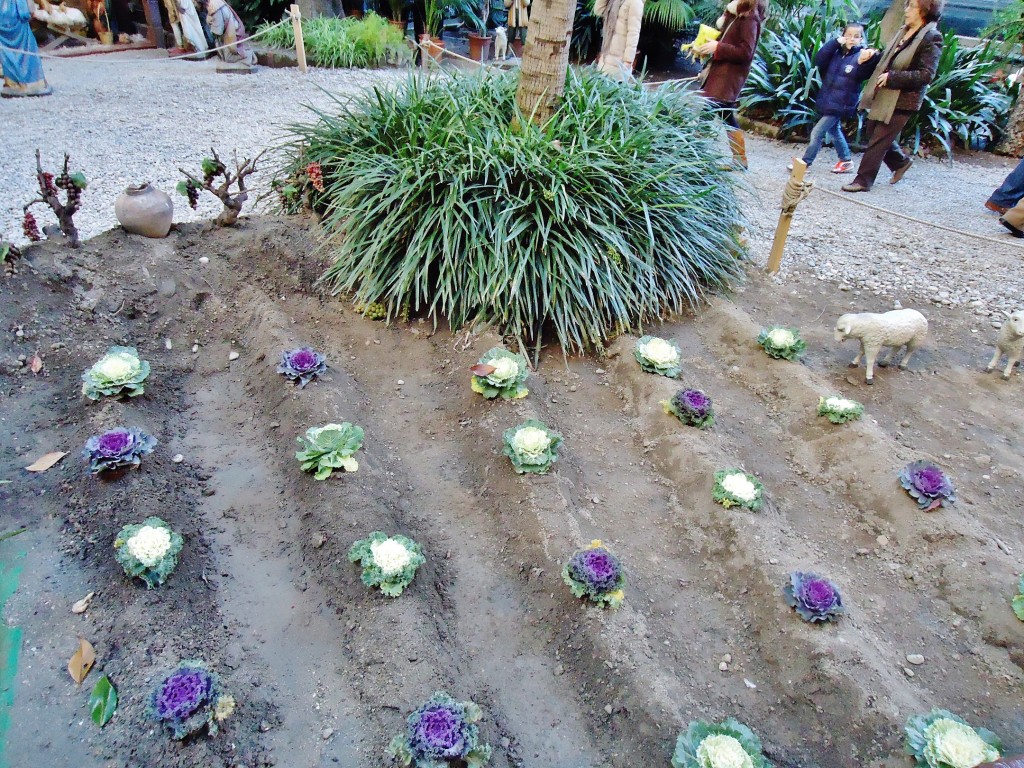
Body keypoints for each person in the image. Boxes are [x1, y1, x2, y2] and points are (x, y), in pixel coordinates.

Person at [841, 0, 943, 193]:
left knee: (878, 140)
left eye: (911, 6)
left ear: (924, 11)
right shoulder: (904, 31)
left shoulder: (931, 37)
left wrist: (893, 77)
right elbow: (890, 59)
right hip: (885, 94)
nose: (906, 10)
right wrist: (872, 55)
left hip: (903, 99)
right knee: (872, 131)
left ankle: (863, 180)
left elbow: (927, 74)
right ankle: (900, 162)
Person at [693, 0, 768, 170]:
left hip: (728, 78)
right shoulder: (736, 12)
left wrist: (718, 47)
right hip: (721, 75)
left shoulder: (749, 17)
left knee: (708, 114)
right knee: (726, 115)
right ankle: (739, 159)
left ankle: (692, 155)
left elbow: (746, 52)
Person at [794, 23, 878, 173]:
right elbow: (820, 59)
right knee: (834, 131)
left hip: (842, 103)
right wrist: (834, 43)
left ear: (862, 39)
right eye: (849, 35)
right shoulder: (836, 53)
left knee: (817, 132)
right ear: (843, 35)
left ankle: (805, 163)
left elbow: (865, 73)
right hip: (828, 99)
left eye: (857, 36)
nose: (852, 39)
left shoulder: (861, 56)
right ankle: (846, 160)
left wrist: (869, 58)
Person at [1, 0, 52, 97]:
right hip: (16, 12)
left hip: (3, 14)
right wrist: (31, 9)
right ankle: (32, 83)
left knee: (7, 51)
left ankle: (13, 82)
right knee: (26, 48)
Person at [595, 0, 643, 80]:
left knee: (615, 90)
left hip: (620, 62)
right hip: (605, 57)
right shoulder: (613, 1)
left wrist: (628, 60)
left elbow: (634, 33)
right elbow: (598, 10)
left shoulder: (635, 2)